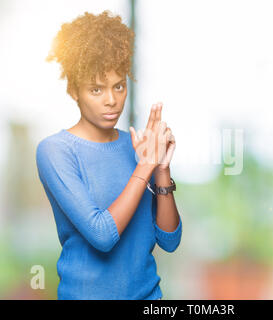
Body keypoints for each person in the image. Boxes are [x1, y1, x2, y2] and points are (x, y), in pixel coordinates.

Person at [36, 10, 182, 300]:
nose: (112, 100)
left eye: (118, 86)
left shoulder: (138, 148)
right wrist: (145, 167)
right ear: (74, 90)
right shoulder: (55, 151)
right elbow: (102, 235)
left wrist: (161, 169)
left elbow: (170, 240)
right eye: (96, 89)